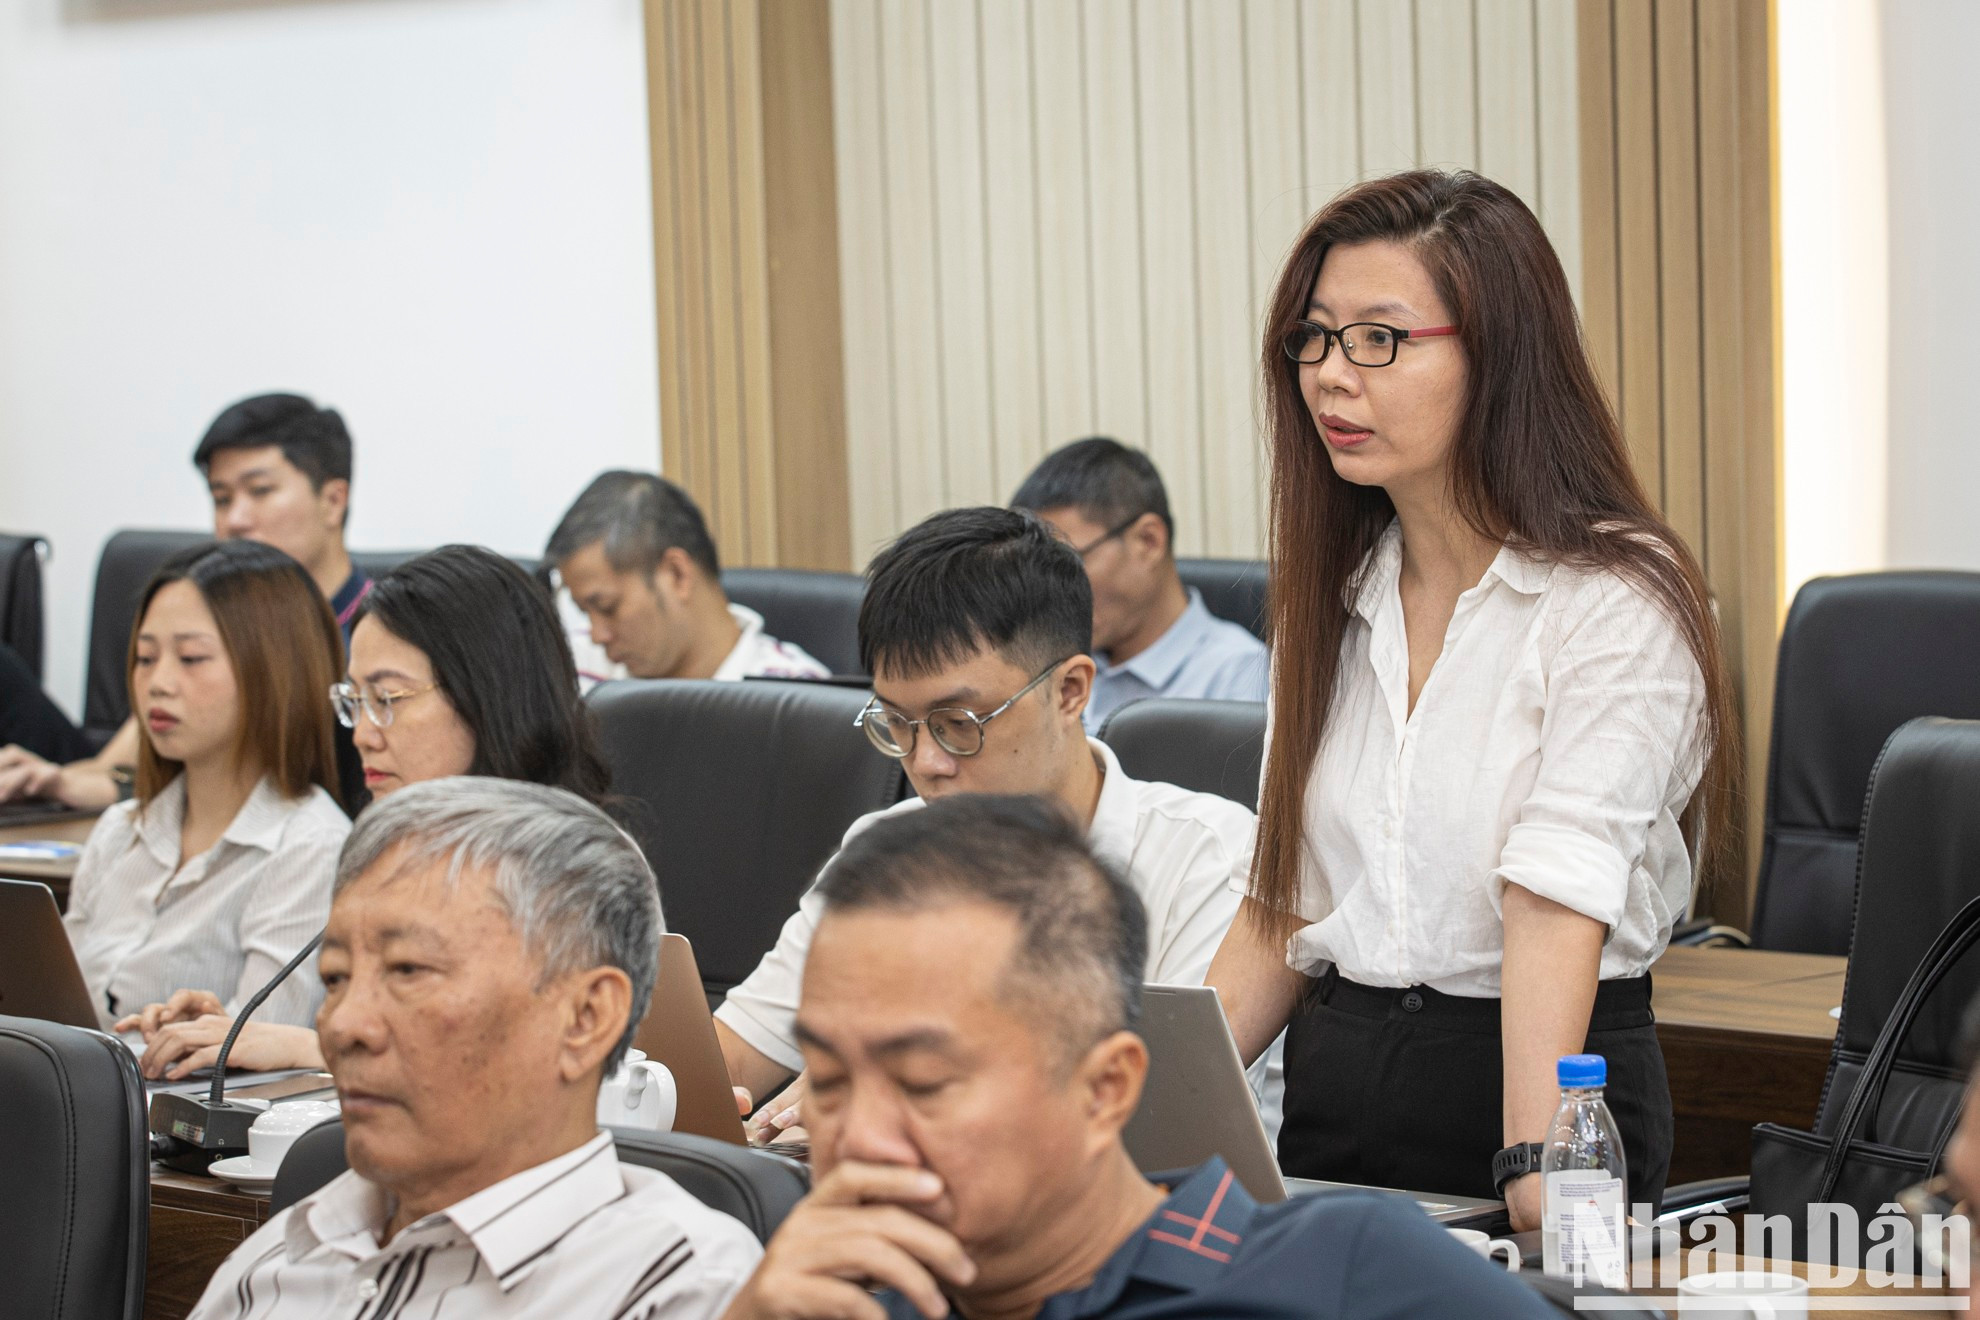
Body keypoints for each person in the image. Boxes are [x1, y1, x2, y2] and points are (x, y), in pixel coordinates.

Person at [1204, 169, 1738, 1230]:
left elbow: (1552, 904)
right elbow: (1285, 903)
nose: (1330, 378)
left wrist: (1538, 1166)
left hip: (1539, 1078)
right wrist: (1130, 1109)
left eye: (1379, 339)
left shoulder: (1617, 599)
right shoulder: (1342, 594)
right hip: (1340, 1083)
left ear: (1497, 352)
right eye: (1313, 339)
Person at [722, 794, 1553, 1320]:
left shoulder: (1341, 1272)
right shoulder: (828, 1301)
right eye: (827, 1079)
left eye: (923, 1083)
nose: (858, 1136)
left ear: (1104, 1089)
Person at [714, 507, 1255, 1137]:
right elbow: (733, 1054)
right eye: (897, 724)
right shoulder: (886, 850)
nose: (926, 763)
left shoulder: (1209, 861)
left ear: (1071, 691)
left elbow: (1155, 1125)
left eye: (958, 726)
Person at [186, 778, 762, 1319]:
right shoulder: (273, 1265)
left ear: (585, 1017)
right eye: (335, 979)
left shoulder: (684, 1293)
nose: (343, 1026)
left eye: (408, 970)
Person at [121, 544, 612, 1078]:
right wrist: (235, 1030)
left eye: (388, 699)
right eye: (354, 700)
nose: (362, 734)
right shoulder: (383, 853)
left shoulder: (580, 870)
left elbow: (519, 1066)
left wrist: (302, 1048)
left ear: (485, 695)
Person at [0, 393, 367, 805]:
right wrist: (53, 780)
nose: (235, 520)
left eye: (260, 491)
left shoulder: (376, 637)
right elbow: (119, 765)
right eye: (221, 498)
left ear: (333, 501)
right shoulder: (206, 611)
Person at [60, 540, 350, 1032]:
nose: (159, 682)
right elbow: (49, 1008)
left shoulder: (311, 848)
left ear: (274, 669)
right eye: (146, 658)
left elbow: (258, 1050)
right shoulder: (118, 831)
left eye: (191, 658)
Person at [1012, 437, 1268, 731]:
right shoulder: (1049, 664)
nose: (1050, 591)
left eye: (1067, 563)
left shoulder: (1240, 678)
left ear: (1149, 542)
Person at [546, 470, 829, 689]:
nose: (597, 635)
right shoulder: (569, 669)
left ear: (677, 574)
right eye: (584, 612)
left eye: (608, 607)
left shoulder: (796, 697)